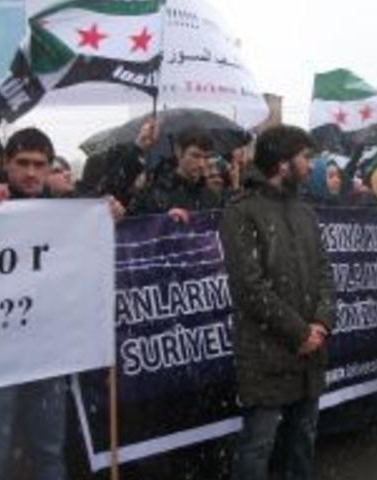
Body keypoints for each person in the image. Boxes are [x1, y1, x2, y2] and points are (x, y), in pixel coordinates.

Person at [219, 125, 336, 480]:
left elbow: (325, 274)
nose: (310, 166)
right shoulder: (241, 212)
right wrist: (299, 332)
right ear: (283, 164)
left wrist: (321, 323)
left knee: (302, 443)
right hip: (265, 356)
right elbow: (250, 287)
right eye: (305, 158)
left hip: (309, 355)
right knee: (258, 447)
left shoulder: (305, 213)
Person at [0, 128, 68, 480]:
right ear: (6, 164)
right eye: (22, 163)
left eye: (40, 165)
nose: (31, 173)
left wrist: (108, 217)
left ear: (50, 167)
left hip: (47, 354)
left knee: (50, 451)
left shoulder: (67, 211)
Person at [128, 128, 223, 221]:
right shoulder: (155, 193)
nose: (201, 164)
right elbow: (135, 227)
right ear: (178, 152)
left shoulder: (210, 195)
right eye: (195, 156)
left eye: (206, 157)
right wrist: (163, 220)